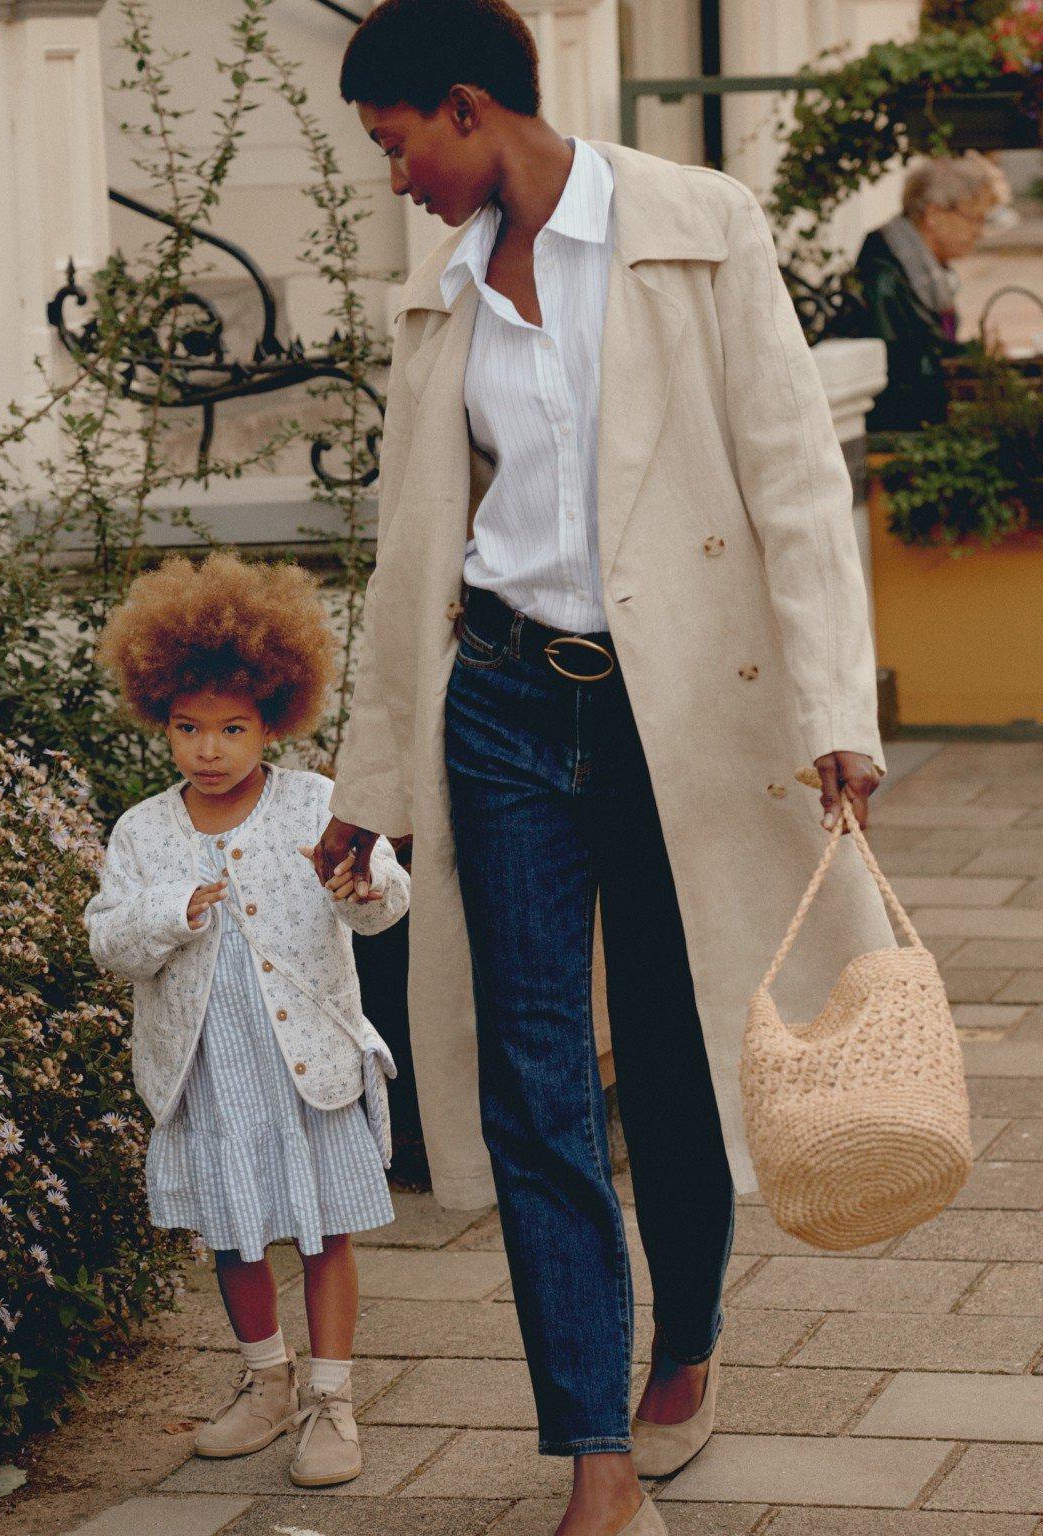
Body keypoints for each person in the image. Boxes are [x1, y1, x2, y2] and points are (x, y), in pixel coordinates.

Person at [307, 1, 901, 1533]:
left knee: (679, 1040)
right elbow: (407, 552)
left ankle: (686, 1340)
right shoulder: (432, 290)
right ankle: (596, 1457)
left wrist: (836, 703)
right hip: (501, 704)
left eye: (394, 146)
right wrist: (370, 777)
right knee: (531, 1084)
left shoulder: (698, 228)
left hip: (675, 710)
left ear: (463, 107)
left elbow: (792, 476)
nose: (392, 183)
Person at [83, 550, 410, 1489]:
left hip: (304, 1064)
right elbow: (109, 938)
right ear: (162, 722)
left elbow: (382, 902)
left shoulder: (318, 804)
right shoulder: (144, 831)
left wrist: (360, 878)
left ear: (276, 717)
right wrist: (169, 909)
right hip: (208, 1072)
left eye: (232, 728)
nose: (209, 750)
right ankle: (266, 1383)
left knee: (323, 1231)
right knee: (233, 1233)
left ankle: (331, 1401)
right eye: (189, 728)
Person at [829, 153, 1008, 430]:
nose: (979, 232)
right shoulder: (885, 274)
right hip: (896, 431)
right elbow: (907, 370)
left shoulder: (925, 270)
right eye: (975, 219)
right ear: (934, 214)